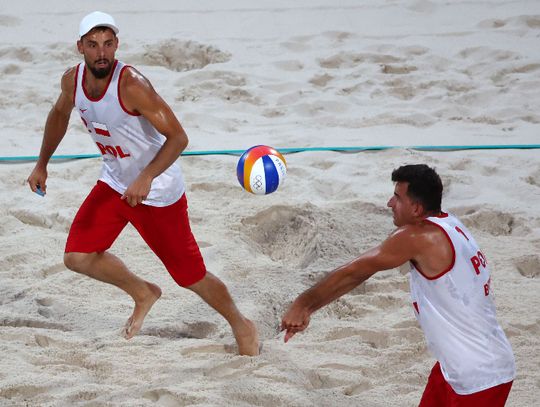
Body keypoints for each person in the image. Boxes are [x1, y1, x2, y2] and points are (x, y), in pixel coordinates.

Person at [27, 11, 259, 356]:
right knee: (77, 256)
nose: (101, 52)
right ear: (80, 47)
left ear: (117, 45)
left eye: (108, 43)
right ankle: (143, 292)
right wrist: (41, 164)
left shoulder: (132, 85)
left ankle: (243, 325)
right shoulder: (71, 81)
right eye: (92, 44)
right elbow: (60, 114)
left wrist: (146, 177)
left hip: (158, 191)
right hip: (116, 182)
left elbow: (179, 138)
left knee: (190, 277)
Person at [281, 164, 515, 406]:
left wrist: (303, 305)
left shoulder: (419, 237)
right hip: (455, 367)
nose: (389, 203)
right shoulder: (450, 223)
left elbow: (356, 271)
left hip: (479, 376)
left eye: (397, 197)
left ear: (416, 207)